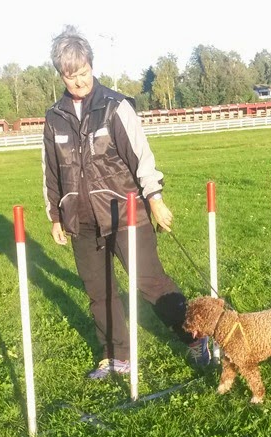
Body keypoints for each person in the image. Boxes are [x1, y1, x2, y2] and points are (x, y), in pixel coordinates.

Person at [42, 25, 210, 379]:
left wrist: (155, 198)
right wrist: (55, 215)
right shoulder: (54, 117)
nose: (79, 81)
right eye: (71, 76)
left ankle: (195, 338)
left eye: (84, 72)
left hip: (127, 213)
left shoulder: (115, 106)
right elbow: (52, 169)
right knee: (99, 292)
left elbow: (141, 157)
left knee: (150, 282)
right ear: (61, 75)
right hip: (81, 219)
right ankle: (116, 356)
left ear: (91, 65)